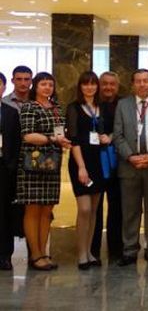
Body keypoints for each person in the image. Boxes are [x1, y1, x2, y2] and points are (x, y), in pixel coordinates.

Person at [16, 72, 72, 271]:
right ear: (36, 87)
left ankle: (44, 252)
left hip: (52, 164)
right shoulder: (30, 107)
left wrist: (62, 140)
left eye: (50, 84)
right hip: (32, 164)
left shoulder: (56, 108)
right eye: (43, 84)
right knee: (33, 209)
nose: (47, 87)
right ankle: (35, 254)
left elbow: (61, 131)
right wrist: (52, 139)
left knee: (47, 210)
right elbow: (28, 136)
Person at [113, 69, 148, 267]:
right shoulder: (123, 105)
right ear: (132, 84)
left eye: (145, 81)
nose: (142, 84)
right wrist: (131, 156)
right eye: (138, 81)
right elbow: (118, 135)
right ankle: (129, 249)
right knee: (130, 210)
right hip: (129, 166)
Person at [66, 71, 107, 270]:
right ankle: (81, 253)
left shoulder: (102, 107)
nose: (89, 87)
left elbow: (108, 131)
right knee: (84, 209)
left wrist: (108, 137)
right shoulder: (73, 108)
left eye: (93, 84)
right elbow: (73, 140)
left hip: (98, 161)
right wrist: (81, 167)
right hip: (80, 161)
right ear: (80, 87)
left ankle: (90, 251)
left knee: (94, 210)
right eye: (85, 84)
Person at [91, 71, 123, 261]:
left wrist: (111, 138)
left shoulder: (123, 104)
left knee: (116, 206)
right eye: (104, 83)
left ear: (117, 86)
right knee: (94, 206)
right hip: (94, 161)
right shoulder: (92, 104)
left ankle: (116, 249)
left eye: (112, 84)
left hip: (117, 162)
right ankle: (93, 248)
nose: (108, 87)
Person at [0, 72, 21, 270]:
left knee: (4, 212)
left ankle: (4, 255)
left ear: (4, 87)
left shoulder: (10, 112)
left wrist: (11, 165)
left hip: (4, 168)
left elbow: (16, 142)